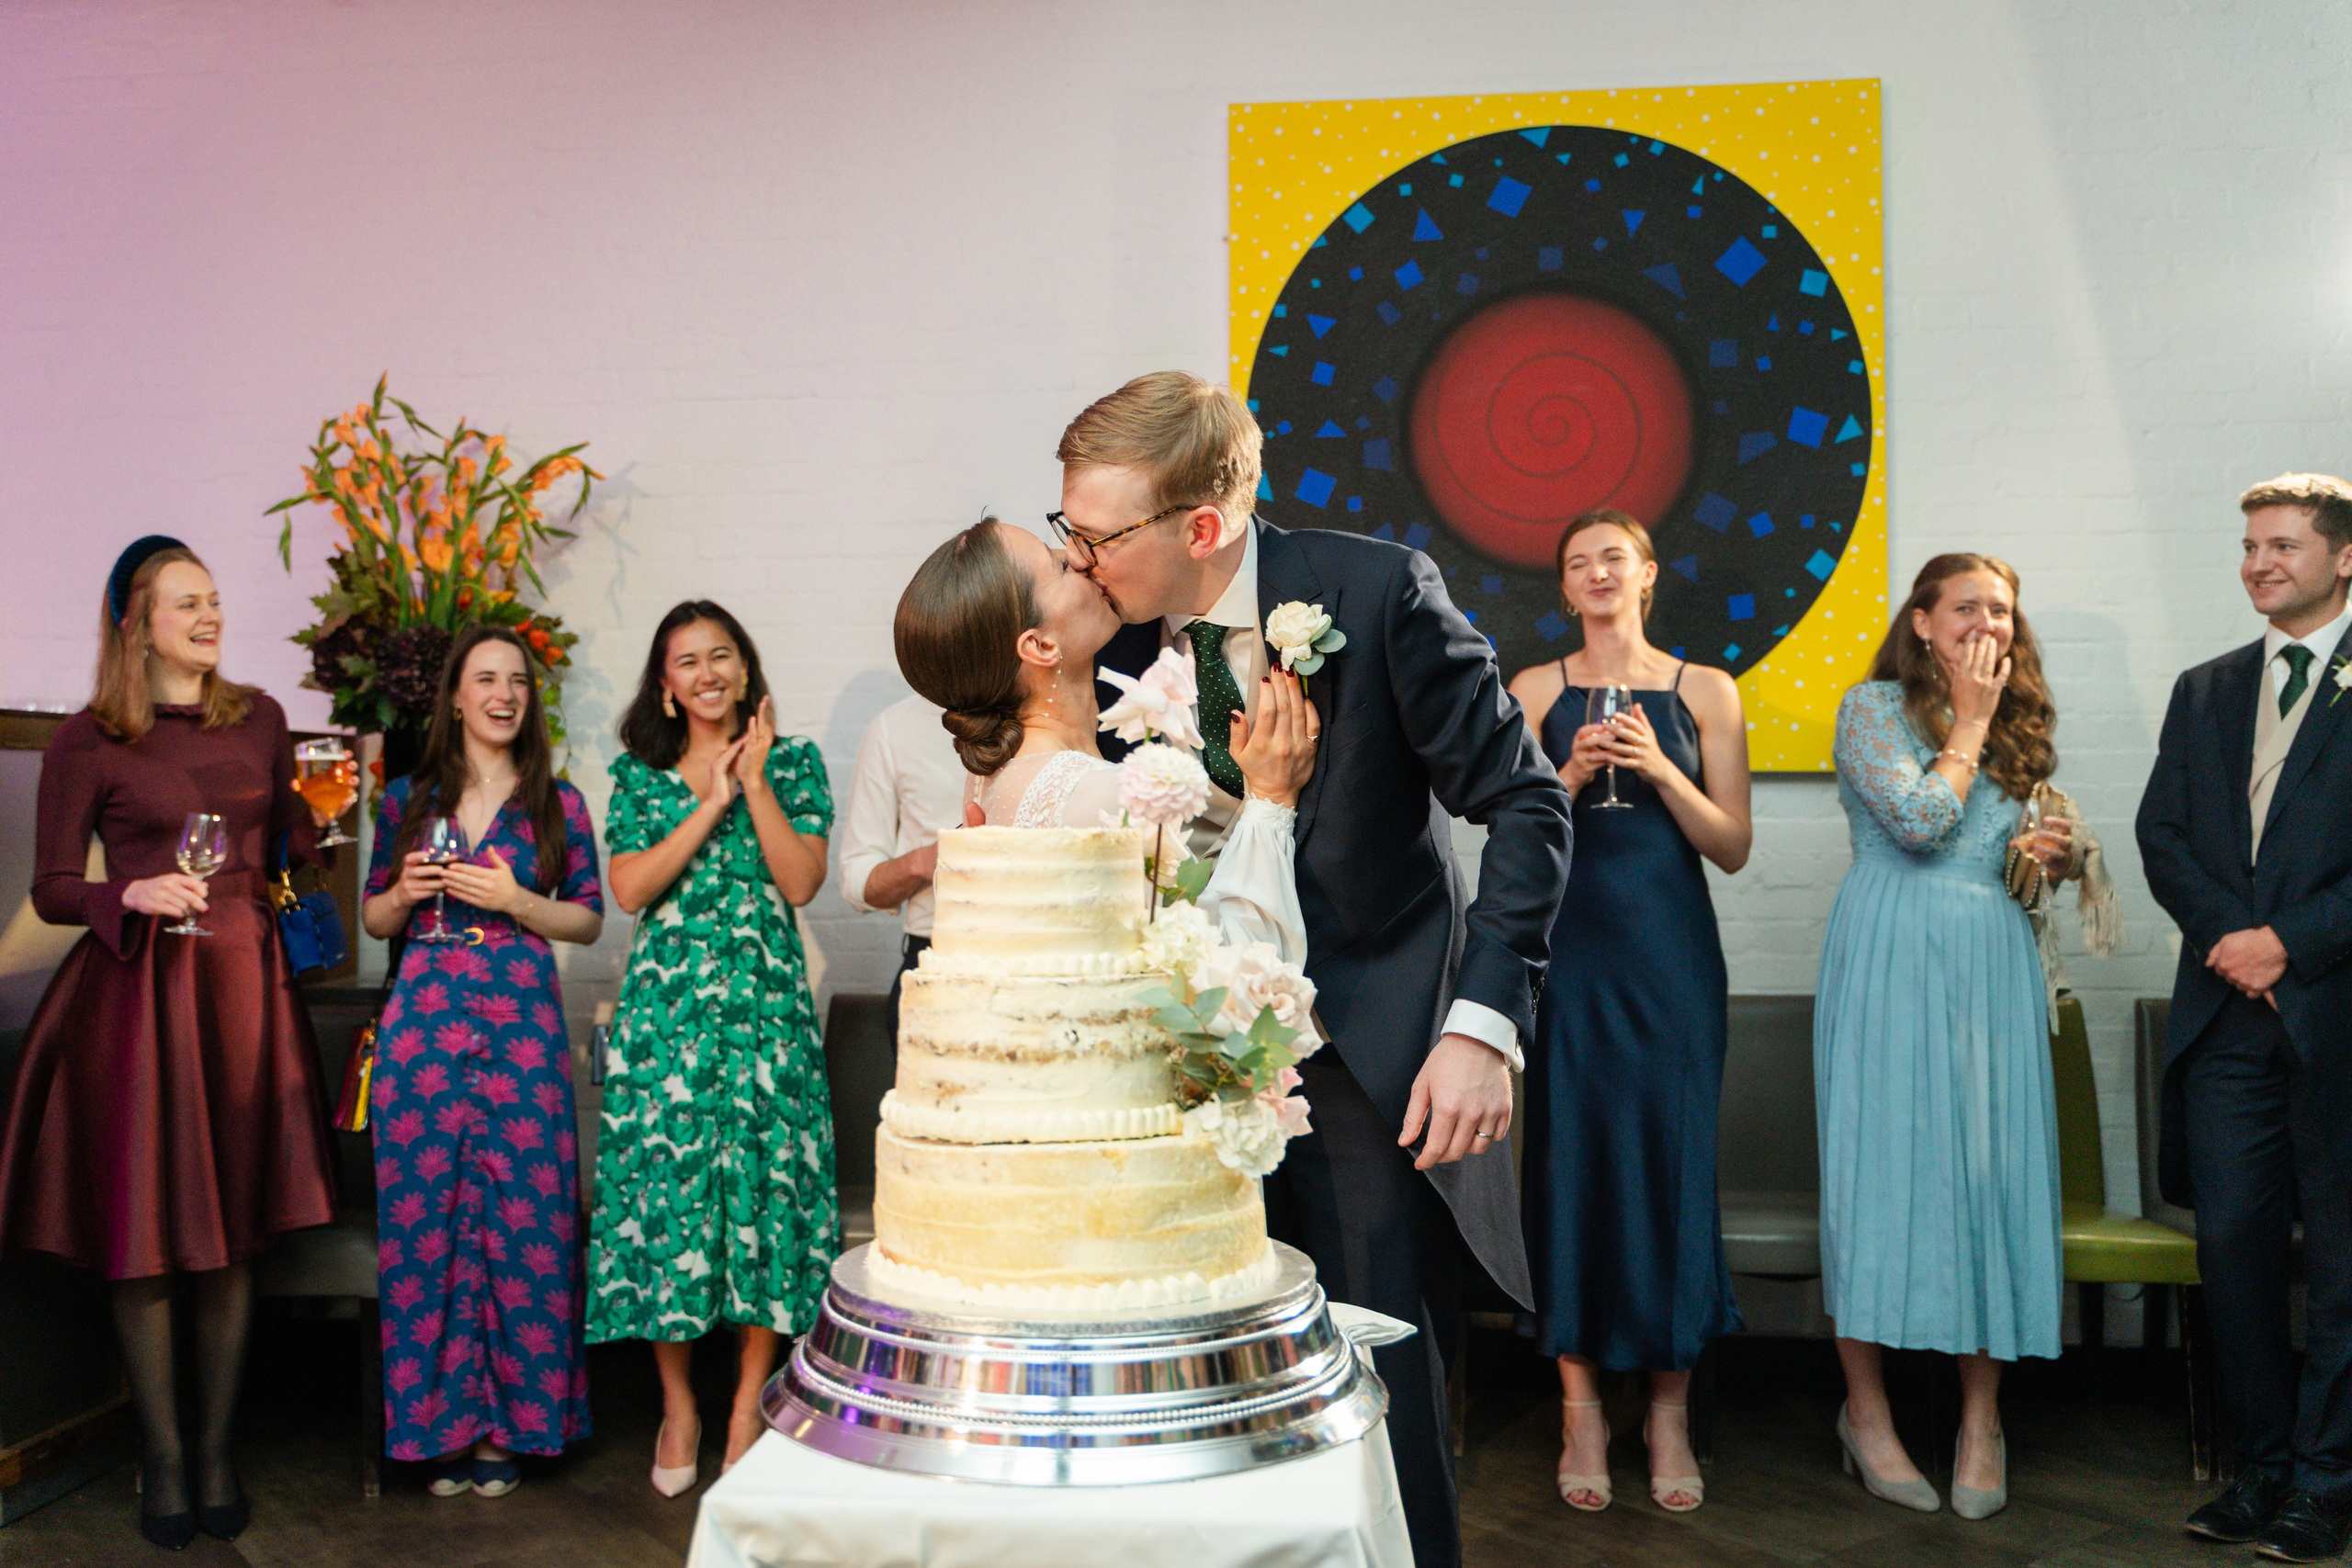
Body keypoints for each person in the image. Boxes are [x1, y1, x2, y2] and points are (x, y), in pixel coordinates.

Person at [1065, 372, 1573, 1568]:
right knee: (1205, 1382)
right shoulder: (1103, 635)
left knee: (1375, 1370)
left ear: (1202, 525)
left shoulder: (1373, 593)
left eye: (1099, 534)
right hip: (1181, 1073)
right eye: (1069, 531)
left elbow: (1527, 803)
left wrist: (1479, 1025)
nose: (1079, 559)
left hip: (1357, 1061)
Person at [0, 537, 346, 1549]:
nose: (210, 616)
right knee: (145, 1235)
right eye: (187, 603)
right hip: (140, 1000)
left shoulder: (263, 718)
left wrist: (320, 833)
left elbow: (287, 855)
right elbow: (51, 890)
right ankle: (160, 1456)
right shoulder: (88, 740)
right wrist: (131, 889)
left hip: (243, 990)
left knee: (232, 1230)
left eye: (215, 599)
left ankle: (216, 1449)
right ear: (138, 623)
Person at [1815, 553, 2077, 1522]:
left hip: (1989, 963)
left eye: (2001, 609)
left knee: (1986, 1175)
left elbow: (1997, 851)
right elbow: (1920, 823)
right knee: (1873, 1171)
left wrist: (2044, 859)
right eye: (1966, 605)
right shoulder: (1869, 708)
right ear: (1922, 621)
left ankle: (1981, 1422)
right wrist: (1968, 720)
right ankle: (1866, 1414)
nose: (1988, 623)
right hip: (1889, 952)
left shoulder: (2019, 721)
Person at [1505, 510, 1752, 1514]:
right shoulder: (1533, 690)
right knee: (1569, 1164)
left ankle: (1667, 1412)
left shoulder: (1706, 690)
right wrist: (1568, 775)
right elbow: (1514, 842)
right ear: (1565, 589)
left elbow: (1731, 846)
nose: (1598, 573)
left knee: (1671, 1165)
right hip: (1570, 962)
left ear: (1647, 574)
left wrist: (1658, 769)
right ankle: (1580, 1411)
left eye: (1615, 557)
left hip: (1671, 966)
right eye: (1579, 563)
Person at [2139, 474, 2352, 1562]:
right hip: (2225, 1019)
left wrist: (2292, 943)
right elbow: (2162, 833)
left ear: (2343, 558)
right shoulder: (2206, 687)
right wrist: (2233, 937)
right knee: (2230, 1249)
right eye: (2249, 546)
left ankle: (2327, 1483)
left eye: (2282, 545)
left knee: (2345, 1263)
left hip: (2337, 1019)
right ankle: (2260, 1468)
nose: (2259, 563)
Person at [587, 601, 834, 1495]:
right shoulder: (640, 776)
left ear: (744, 667)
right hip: (668, 1026)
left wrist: (755, 784)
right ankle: (678, 1405)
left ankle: (745, 1405)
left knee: (764, 1198)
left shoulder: (794, 762)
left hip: (766, 1019)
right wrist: (713, 799)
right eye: (687, 661)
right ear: (666, 684)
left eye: (720, 654)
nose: (707, 673)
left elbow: (800, 882)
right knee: (669, 1203)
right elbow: (629, 888)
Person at [359, 624, 605, 1498]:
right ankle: (437, 1429)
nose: (504, 694)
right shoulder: (405, 797)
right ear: (456, 697)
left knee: (526, 1222)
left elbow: (588, 918)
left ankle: (510, 1429)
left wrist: (516, 898)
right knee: (425, 1227)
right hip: (424, 1031)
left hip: (522, 1033)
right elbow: (375, 918)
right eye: (487, 679)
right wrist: (403, 889)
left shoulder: (558, 802)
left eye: (518, 681)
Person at [891, 517, 1316, 959]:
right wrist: (1271, 800)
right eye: (1058, 565)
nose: (1078, 556)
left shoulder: (986, 788)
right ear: (1040, 646)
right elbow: (1230, 963)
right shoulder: (1104, 795)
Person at [837, 692, 965, 1044]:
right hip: (934, 964)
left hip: (1048, 961)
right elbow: (856, 881)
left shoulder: (1049, 708)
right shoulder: (893, 728)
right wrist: (927, 860)